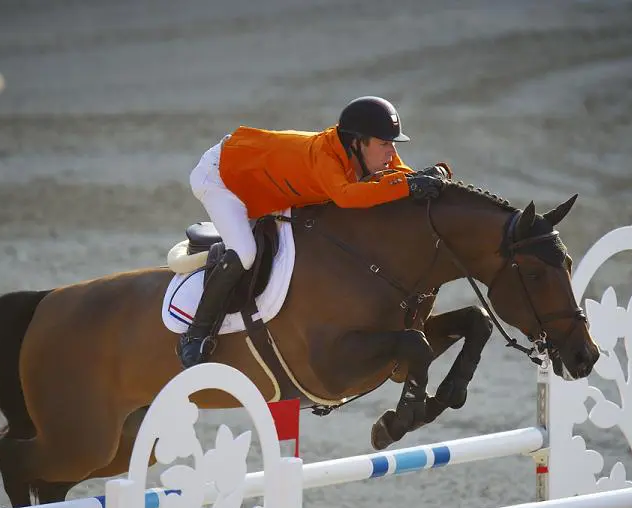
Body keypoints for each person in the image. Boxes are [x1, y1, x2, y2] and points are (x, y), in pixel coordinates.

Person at [177, 95, 449, 368]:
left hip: (260, 178)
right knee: (245, 252)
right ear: (356, 142)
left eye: (392, 144)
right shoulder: (324, 156)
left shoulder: (362, 148)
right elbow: (347, 197)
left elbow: (400, 175)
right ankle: (196, 334)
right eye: (384, 144)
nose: (391, 152)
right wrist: (408, 186)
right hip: (220, 178)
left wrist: (425, 177)